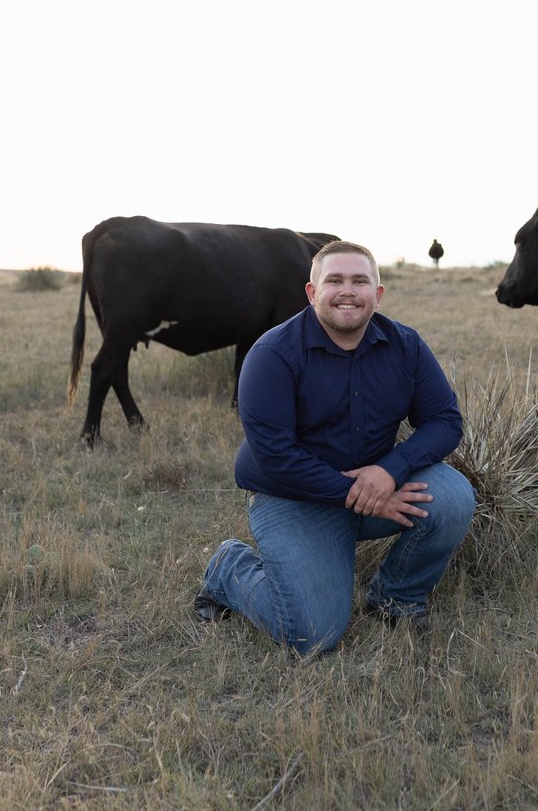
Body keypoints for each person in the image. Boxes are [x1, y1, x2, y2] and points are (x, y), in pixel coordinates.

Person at [195, 240, 476, 656]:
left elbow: (446, 421)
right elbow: (276, 457)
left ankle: (397, 599)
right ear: (312, 292)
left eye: (360, 281)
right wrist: (360, 496)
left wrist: (389, 471)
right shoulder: (272, 354)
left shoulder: (406, 345)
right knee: (311, 634)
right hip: (294, 497)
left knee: (453, 497)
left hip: (376, 480)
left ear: (377, 295)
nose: (348, 291)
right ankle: (229, 569)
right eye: (335, 281)